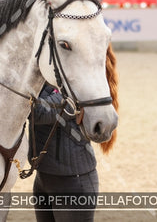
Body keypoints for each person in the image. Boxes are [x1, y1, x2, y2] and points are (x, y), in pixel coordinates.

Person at [29, 84, 99, 222]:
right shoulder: (42, 81)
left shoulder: (76, 88)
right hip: (44, 176)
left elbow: (38, 111)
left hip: (73, 181)